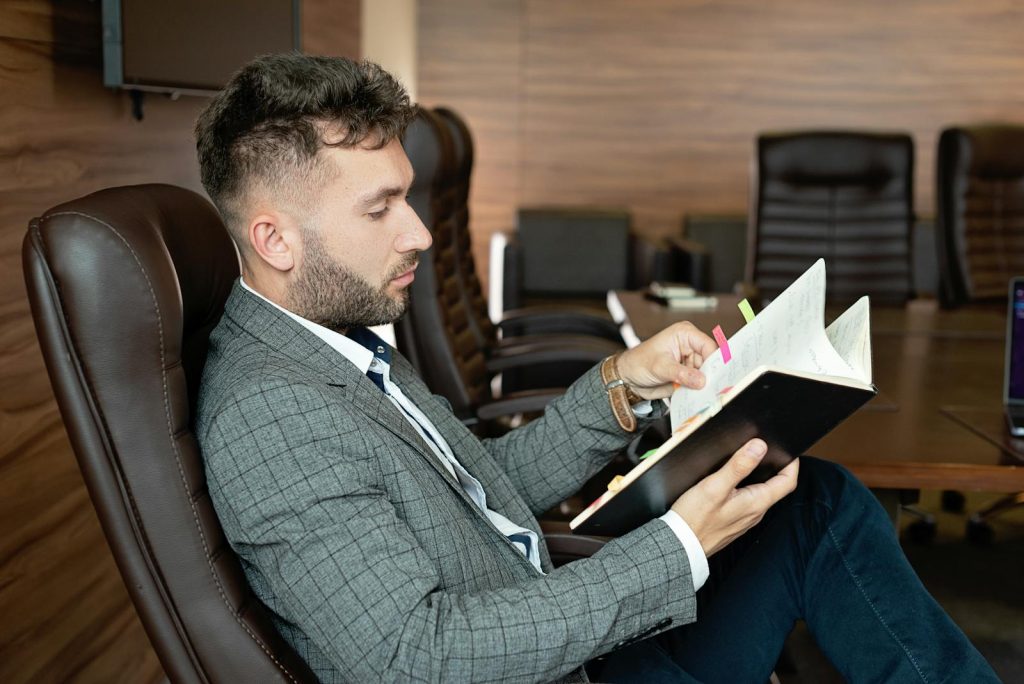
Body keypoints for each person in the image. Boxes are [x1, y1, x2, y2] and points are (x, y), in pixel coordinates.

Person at [193, 53, 998, 683]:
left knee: (815, 499)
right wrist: (676, 547)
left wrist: (623, 387)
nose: (420, 234)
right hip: (553, 665)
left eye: (408, 198)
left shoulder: (334, 334)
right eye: (381, 208)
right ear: (274, 240)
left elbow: (477, 488)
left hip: (564, 632)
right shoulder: (274, 414)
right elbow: (416, 659)